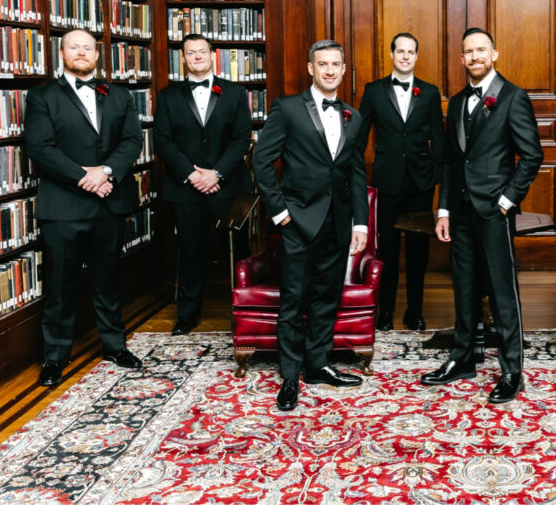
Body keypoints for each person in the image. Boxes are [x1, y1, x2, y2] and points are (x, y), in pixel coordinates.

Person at [421, 27, 542, 404]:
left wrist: (507, 200)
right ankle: (462, 359)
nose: (474, 57)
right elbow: (451, 160)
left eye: (481, 50)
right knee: (464, 286)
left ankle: (511, 370)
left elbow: (532, 155)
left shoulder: (512, 96)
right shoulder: (456, 101)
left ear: (495, 54)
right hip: (459, 211)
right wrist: (443, 209)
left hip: (494, 210)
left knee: (502, 291)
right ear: (461, 59)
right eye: (468, 52)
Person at [252, 39, 369, 411]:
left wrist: (361, 224)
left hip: (337, 224)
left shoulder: (354, 115)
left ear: (343, 69)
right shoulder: (287, 108)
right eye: (323, 64)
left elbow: (353, 171)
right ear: (310, 69)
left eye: (336, 64)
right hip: (298, 221)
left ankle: (318, 365)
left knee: (325, 298)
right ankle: (289, 377)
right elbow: (261, 161)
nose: (330, 70)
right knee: (293, 301)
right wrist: (280, 213)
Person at [25, 29, 144, 387]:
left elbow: (132, 140)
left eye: (87, 47)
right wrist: (84, 177)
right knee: (60, 285)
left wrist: (106, 171)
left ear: (97, 54)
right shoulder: (42, 96)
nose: (81, 52)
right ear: (61, 52)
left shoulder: (119, 95)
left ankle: (113, 344)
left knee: (108, 279)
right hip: (63, 207)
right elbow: (40, 148)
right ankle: (54, 356)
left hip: (109, 203)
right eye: (74, 47)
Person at [154, 33, 252, 335]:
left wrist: (216, 173)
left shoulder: (236, 93)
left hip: (229, 186)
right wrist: (192, 174)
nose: (197, 57)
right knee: (190, 250)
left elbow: (241, 140)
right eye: (190, 52)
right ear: (183, 59)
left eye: (202, 51)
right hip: (185, 188)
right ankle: (187, 314)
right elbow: (163, 141)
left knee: (237, 251)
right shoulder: (168, 96)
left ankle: (244, 313)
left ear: (212, 55)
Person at [358, 32, 444, 331]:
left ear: (416, 57)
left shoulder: (430, 93)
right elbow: (358, 138)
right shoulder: (373, 91)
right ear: (392, 55)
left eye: (411, 51)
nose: (406, 56)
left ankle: (414, 312)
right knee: (388, 252)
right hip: (387, 184)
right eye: (400, 51)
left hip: (420, 184)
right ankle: (385, 312)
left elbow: (439, 139)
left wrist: (434, 174)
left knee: (418, 253)